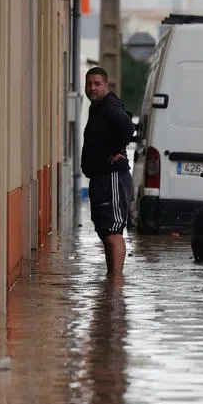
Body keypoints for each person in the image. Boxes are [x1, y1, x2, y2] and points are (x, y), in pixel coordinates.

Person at [81, 66, 135, 275]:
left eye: (97, 84)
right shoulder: (97, 107)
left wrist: (115, 150)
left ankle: (116, 281)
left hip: (112, 177)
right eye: (89, 84)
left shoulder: (110, 106)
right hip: (100, 178)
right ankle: (111, 279)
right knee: (105, 230)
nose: (92, 88)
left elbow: (128, 127)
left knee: (113, 232)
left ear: (106, 85)